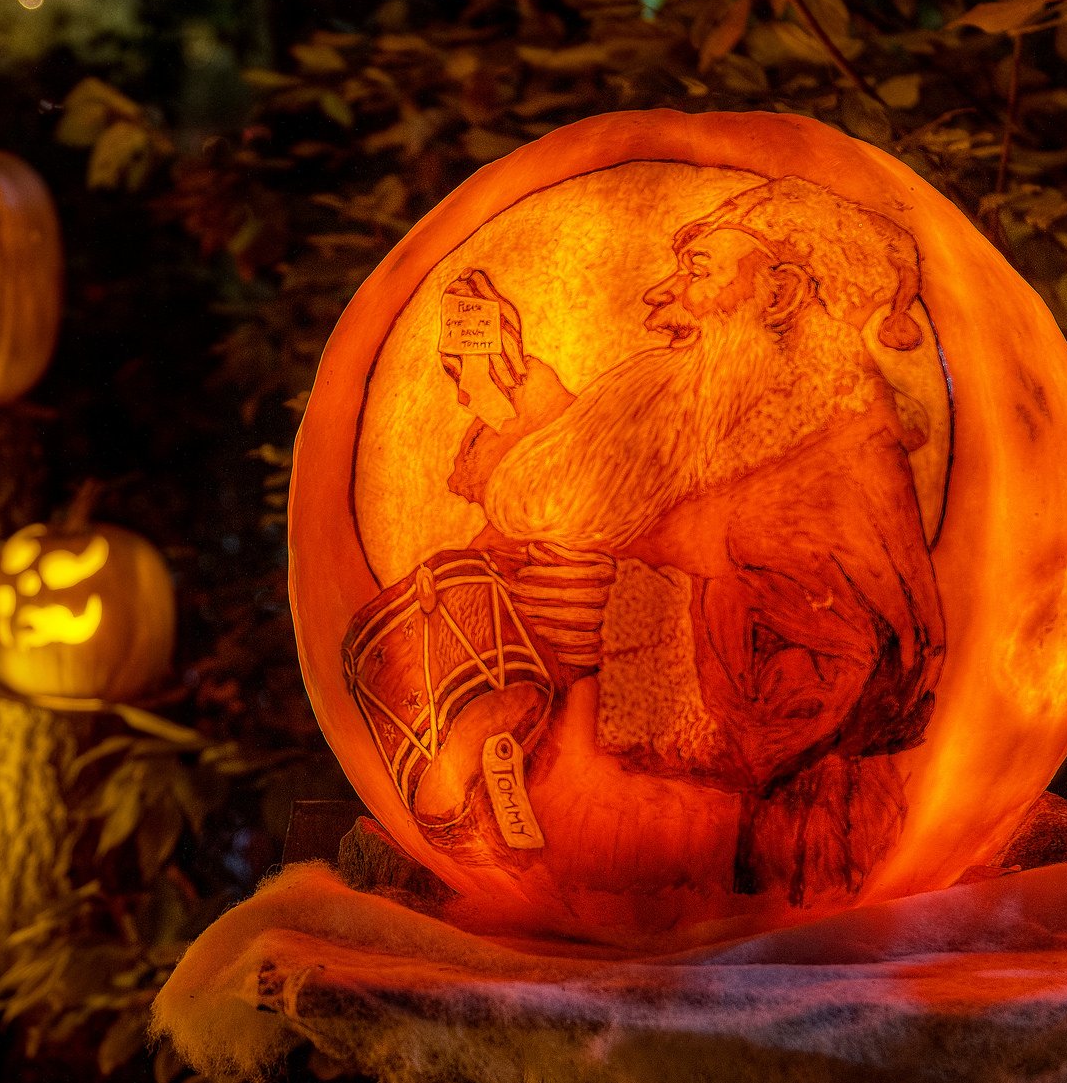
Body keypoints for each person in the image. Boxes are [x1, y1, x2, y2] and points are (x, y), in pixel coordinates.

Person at [351, 176, 946, 904]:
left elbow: (809, 673)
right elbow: (616, 501)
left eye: (698, 273)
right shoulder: (735, 427)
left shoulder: (842, 463)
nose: (661, 296)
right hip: (616, 839)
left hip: (779, 866)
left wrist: (612, 594)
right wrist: (512, 400)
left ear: (781, 296)